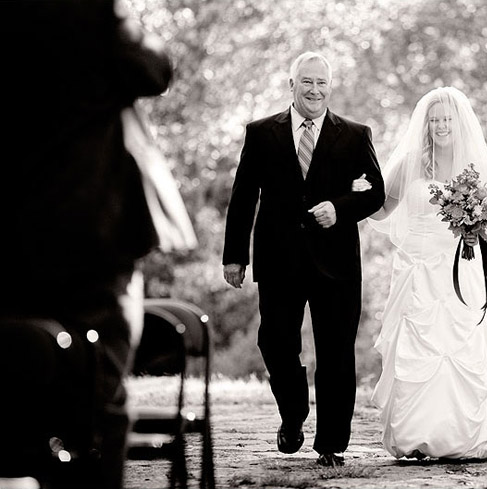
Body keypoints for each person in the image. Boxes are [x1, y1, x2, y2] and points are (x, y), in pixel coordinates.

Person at [1, 1, 180, 488]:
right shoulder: (89, 12)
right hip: (90, 233)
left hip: (10, 243)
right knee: (98, 392)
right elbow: (153, 69)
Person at [222, 51, 385, 467]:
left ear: (331, 87)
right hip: (279, 261)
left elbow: (375, 192)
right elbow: (243, 198)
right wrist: (235, 257)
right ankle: (293, 414)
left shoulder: (354, 133)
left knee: (335, 354)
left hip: (337, 265)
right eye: (307, 82)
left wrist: (340, 208)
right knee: (274, 343)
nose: (315, 90)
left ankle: (331, 444)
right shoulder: (261, 133)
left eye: (322, 83)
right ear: (291, 85)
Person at [356, 87, 487, 459]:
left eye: (446, 119)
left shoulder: (474, 165)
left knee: (465, 347)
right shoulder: (412, 162)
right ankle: (417, 435)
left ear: (459, 121)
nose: (440, 126)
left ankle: (470, 436)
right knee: (418, 351)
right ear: (426, 124)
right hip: (418, 270)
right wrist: (355, 198)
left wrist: (473, 224)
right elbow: (384, 208)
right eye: (434, 120)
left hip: (461, 270)